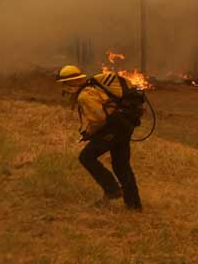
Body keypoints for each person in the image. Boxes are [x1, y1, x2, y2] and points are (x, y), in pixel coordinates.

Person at [56, 65, 142, 211]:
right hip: (124, 125)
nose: (64, 88)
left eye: (64, 84)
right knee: (121, 165)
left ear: (71, 82)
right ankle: (134, 205)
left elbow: (99, 119)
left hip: (114, 128)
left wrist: (90, 133)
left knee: (86, 157)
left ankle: (112, 189)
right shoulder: (93, 88)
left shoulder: (85, 95)